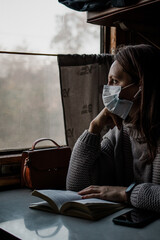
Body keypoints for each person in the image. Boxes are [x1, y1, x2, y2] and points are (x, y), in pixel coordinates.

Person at [66, 44, 160, 212]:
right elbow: (76, 187)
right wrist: (94, 128)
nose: (108, 89)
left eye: (115, 81)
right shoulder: (119, 133)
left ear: (142, 86)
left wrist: (126, 193)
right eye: (108, 82)